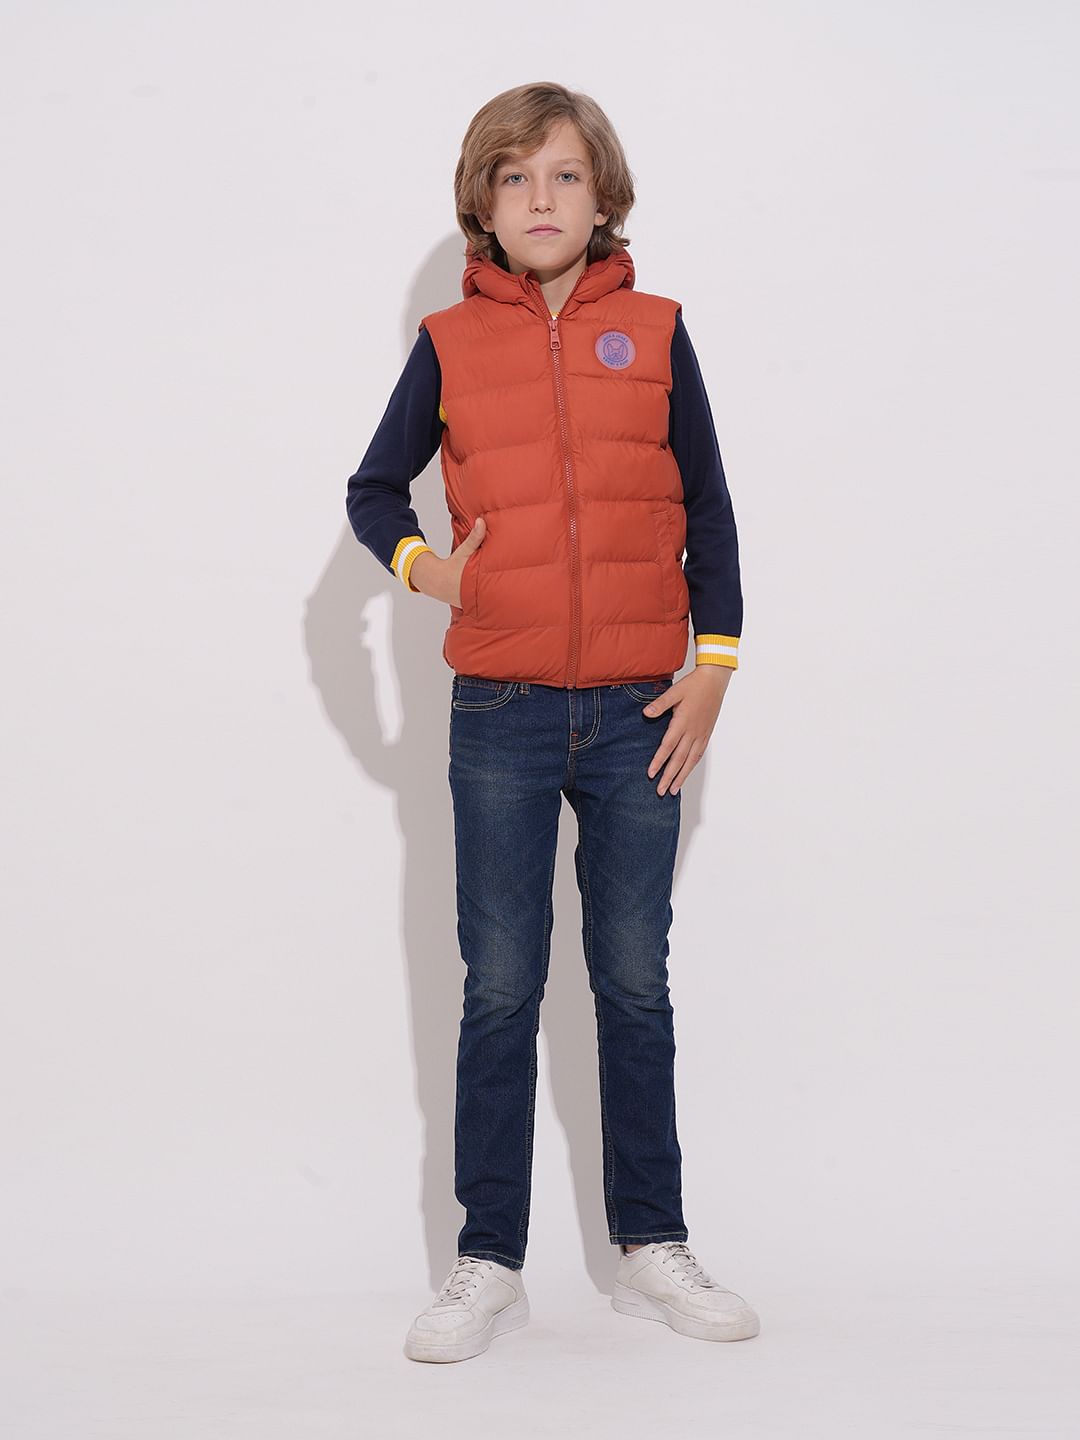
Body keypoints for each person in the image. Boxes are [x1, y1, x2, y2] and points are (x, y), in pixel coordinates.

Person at [345, 81, 759, 1363]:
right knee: (501, 986)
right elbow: (373, 491)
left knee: (634, 981)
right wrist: (429, 570)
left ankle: (652, 1246)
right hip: (502, 711)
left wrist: (715, 663)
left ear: (603, 196)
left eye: (565, 175)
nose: (541, 198)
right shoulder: (448, 344)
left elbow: (710, 506)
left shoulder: (657, 331)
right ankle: (489, 1259)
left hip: (642, 711)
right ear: (483, 201)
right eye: (516, 176)